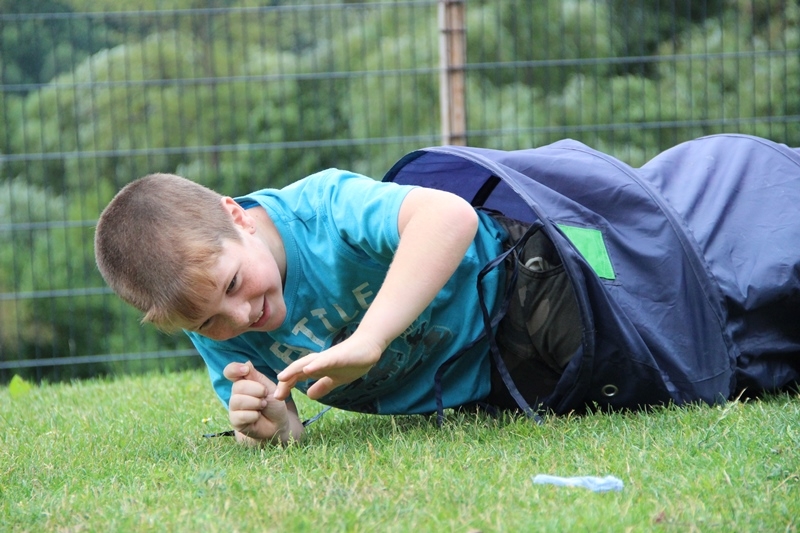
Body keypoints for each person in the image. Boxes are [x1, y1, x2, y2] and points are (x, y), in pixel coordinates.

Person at [95, 133, 800, 447]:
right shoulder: (209, 314)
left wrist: (368, 339)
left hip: (522, 283)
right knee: (585, 387)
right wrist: (271, 425)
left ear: (234, 214)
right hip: (495, 380)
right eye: (209, 322)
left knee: (651, 352)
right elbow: (278, 417)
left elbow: (448, 214)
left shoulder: (322, 207)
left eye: (233, 285)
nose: (240, 316)